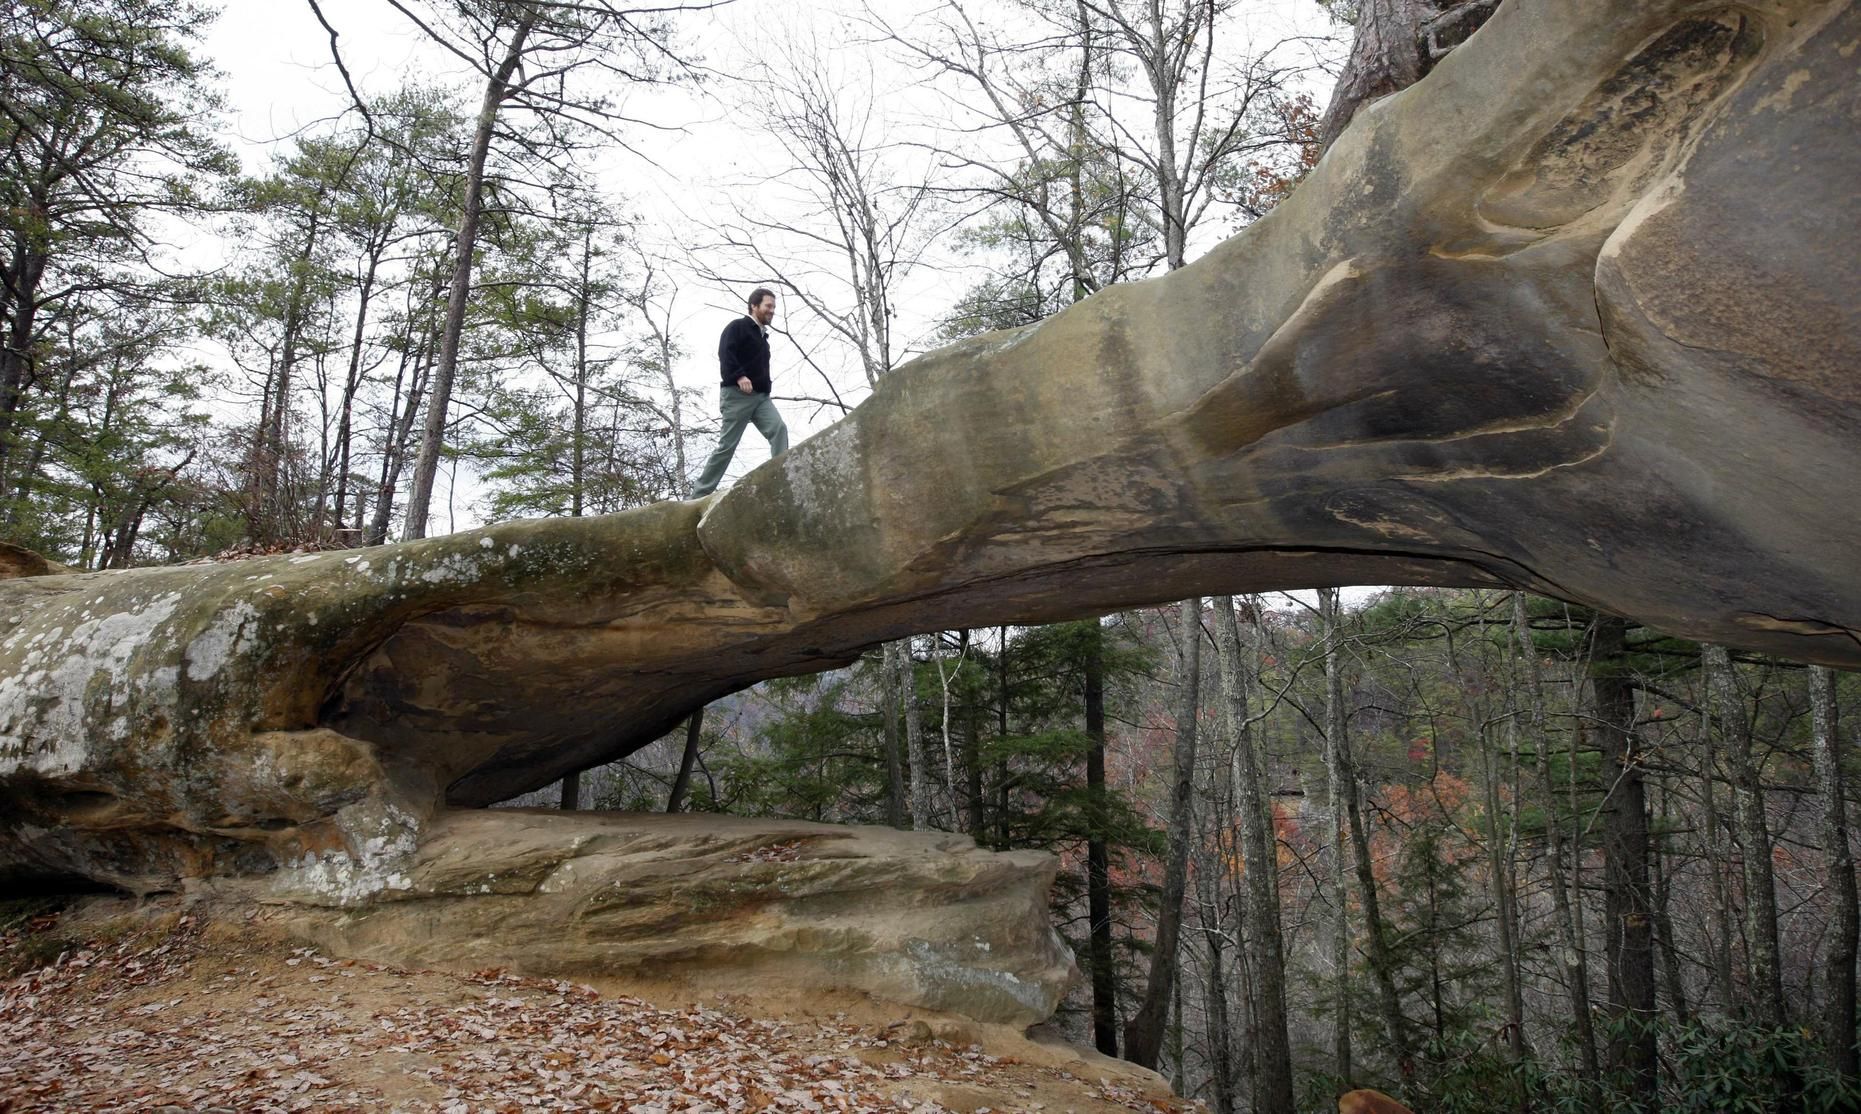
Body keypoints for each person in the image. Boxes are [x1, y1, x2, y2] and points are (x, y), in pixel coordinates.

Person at [689, 287, 789, 498]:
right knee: (727, 446)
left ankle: (781, 479)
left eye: (774, 307)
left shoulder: (763, 336)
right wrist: (739, 376)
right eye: (768, 306)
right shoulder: (738, 327)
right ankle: (698, 495)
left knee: (778, 429)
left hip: (761, 398)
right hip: (737, 395)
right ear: (754, 306)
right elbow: (725, 353)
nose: (772, 310)